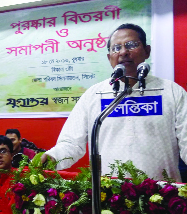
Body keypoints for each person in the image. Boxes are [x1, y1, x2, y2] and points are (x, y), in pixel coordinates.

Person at [41, 23, 187, 181]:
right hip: (108, 195)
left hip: (162, 196)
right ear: (109, 57)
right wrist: (49, 159)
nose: (124, 52)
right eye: (116, 48)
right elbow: (71, 144)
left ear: (147, 51)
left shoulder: (172, 92)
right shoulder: (95, 95)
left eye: (131, 45)